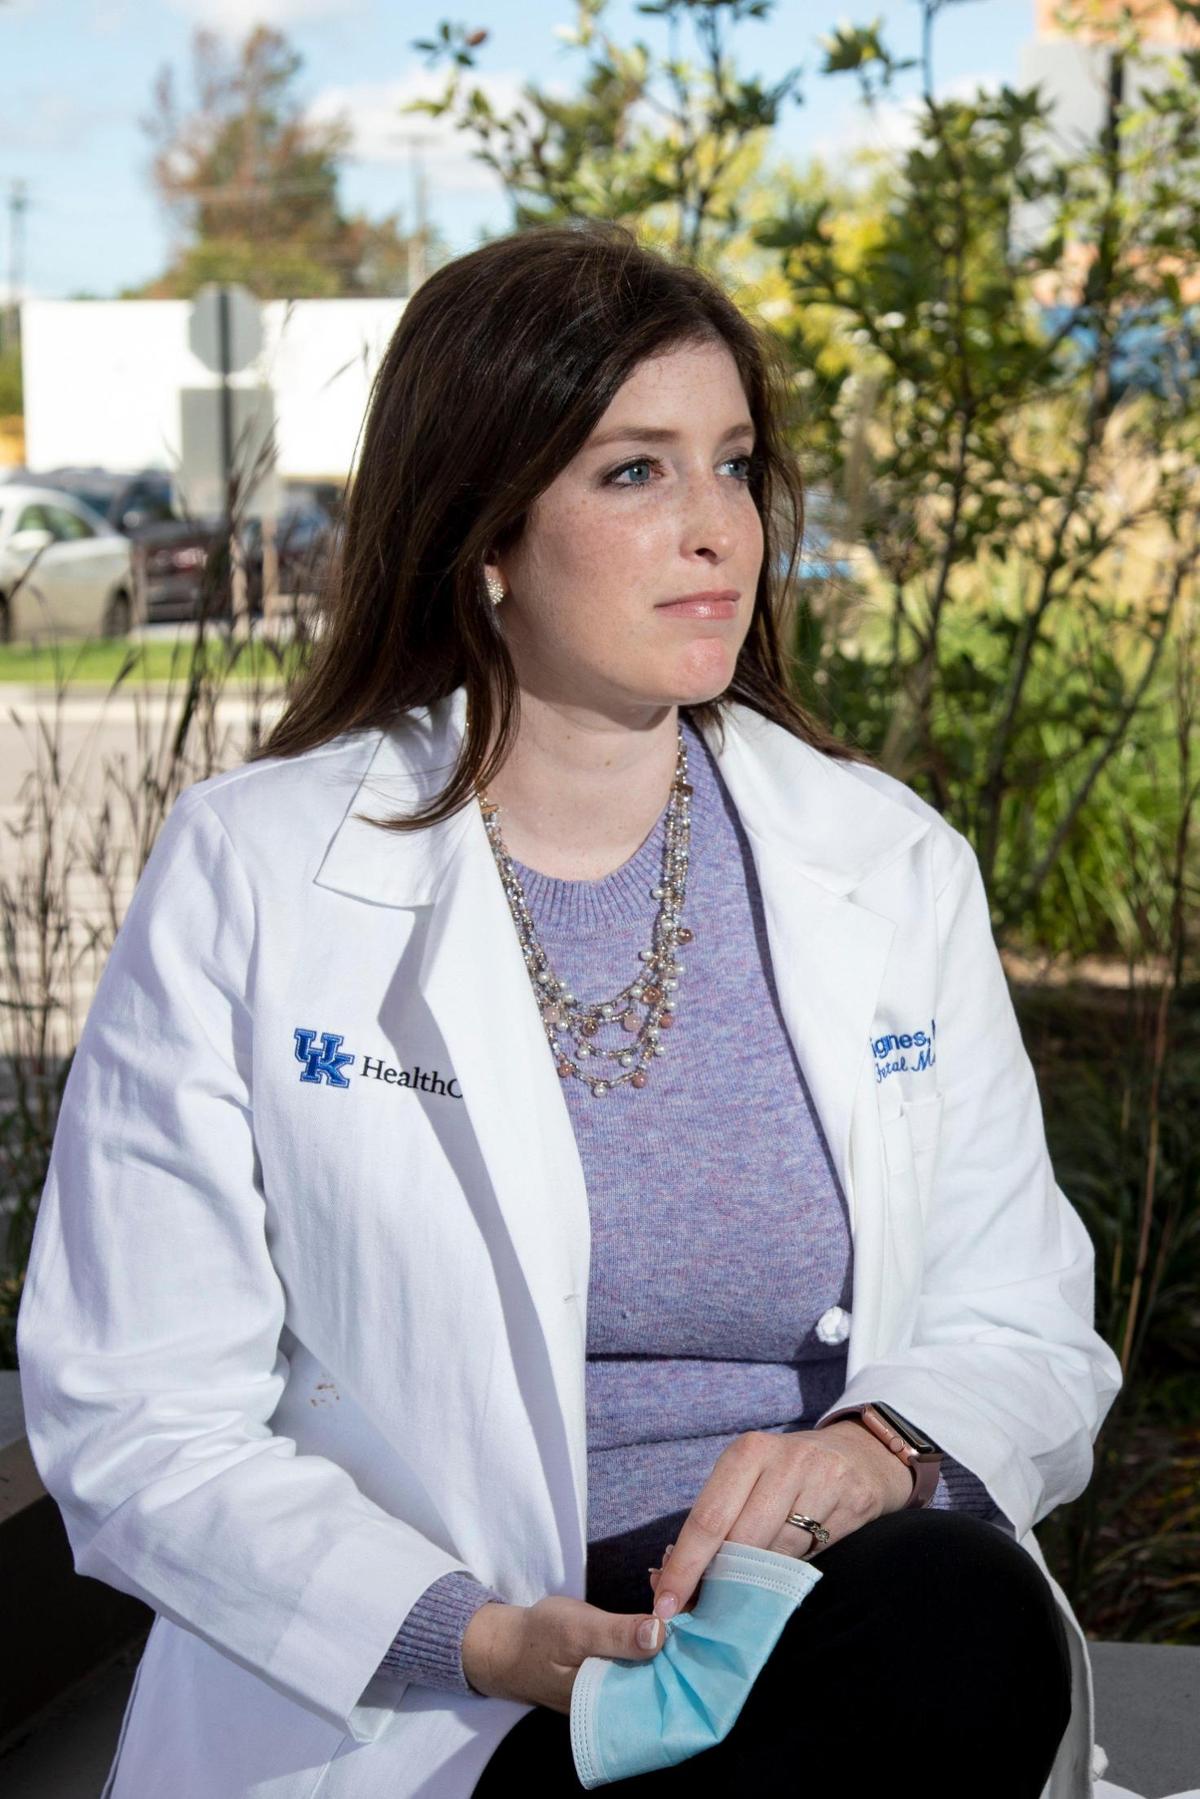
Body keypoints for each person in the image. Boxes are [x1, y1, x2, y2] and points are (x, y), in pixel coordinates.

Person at [17, 221, 1122, 1799]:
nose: (717, 532)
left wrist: (873, 1456)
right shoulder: (256, 875)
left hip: (824, 1621)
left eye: (734, 465)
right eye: (635, 473)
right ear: (484, 533)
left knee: (955, 1610)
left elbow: (1025, 1321)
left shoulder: (886, 863)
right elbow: (134, 1413)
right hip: (456, 1680)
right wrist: (477, 1639)